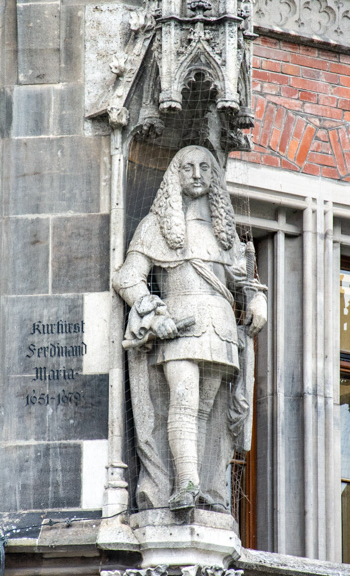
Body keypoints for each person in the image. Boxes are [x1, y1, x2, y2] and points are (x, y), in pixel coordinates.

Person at [114, 145, 267, 512]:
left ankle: (200, 487)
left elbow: (243, 282)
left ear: (214, 177)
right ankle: (183, 484)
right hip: (179, 325)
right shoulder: (155, 226)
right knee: (183, 399)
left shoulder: (224, 233)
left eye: (204, 168)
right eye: (187, 168)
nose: (197, 174)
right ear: (174, 175)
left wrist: (257, 299)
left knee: (204, 410)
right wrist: (153, 313)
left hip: (220, 328)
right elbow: (128, 278)